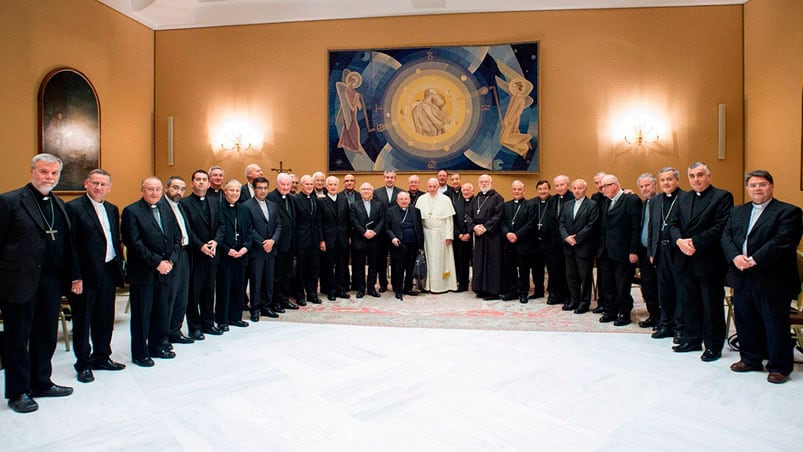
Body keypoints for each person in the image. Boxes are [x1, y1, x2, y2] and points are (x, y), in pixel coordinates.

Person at [0, 153, 79, 413]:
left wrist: (73, 276)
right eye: (44, 172)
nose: (49, 177)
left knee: (46, 336)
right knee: (17, 338)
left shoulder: (59, 205)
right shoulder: (10, 202)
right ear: (32, 171)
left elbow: (68, 245)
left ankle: (41, 382)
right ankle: (18, 391)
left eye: (54, 173)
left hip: (51, 282)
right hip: (19, 282)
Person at [721, 170, 802, 383]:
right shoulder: (737, 211)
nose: (758, 188)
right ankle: (750, 359)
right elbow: (726, 236)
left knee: (774, 323)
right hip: (741, 275)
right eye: (753, 185)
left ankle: (779, 366)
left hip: (772, 278)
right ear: (748, 188)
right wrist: (736, 257)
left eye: (762, 184)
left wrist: (754, 259)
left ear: (771, 186)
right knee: (745, 320)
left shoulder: (789, 212)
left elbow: (782, 241)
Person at [667, 162, 733, 362]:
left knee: (711, 304)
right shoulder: (683, 197)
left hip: (708, 260)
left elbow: (721, 226)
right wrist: (679, 240)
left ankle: (713, 345)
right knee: (689, 303)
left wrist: (694, 242)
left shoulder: (722, 197)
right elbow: (673, 223)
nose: (696, 179)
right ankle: (692, 338)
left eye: (700, 175)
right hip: (684, 259)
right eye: (692, 176)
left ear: (709, 176)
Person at [65, 169, 126, 384]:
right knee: (83, 321)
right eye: (95, 183)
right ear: (86, 184)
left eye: (103, 184)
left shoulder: (111, 208)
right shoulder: (73, 208)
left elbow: (113, 239)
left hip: (108, 271)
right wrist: (75, 277)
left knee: (105, 318)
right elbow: (70, 246)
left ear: (109, 187)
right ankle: (83, 364)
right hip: (85, 276)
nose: (99, 188)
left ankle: (102, 356)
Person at [121, 177, 181, 368]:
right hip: (144, 271)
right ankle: (140, 353)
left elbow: (176, 236)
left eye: (157, 189)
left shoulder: (166, 208)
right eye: (150, 189)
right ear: (142, 190)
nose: (154, 193)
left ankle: (159, 345)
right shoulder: (132, 211)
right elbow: (134, 243)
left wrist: (171, 260)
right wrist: (157, 262)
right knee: (142, 314)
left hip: (166, 270)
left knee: (162, 310)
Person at [181, 170, 225, 339]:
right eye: (197, 179)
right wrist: (201, 246)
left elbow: (222, 225)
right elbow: (186, 229)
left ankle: (208, 323)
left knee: (209, 291)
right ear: (192, 183)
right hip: (195, 255)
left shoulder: (215, 202)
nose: (201, 182)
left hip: (213, 254)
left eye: (204, 180)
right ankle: (195, 327)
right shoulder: (185, 204)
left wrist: (215, 242)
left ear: (208, 183)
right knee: (194, 293)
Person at [596, 174, 642, 326]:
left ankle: (624, 312)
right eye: (601, 187)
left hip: (623, 252)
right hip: (606, 251)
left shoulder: (631, 200)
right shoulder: (605, 203)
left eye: (605, 186)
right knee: (608, 284)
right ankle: (610, 310)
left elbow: (636, 228)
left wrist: (634, 251)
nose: (602, 190)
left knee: (622, 285)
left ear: (614, 185)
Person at [647, 167, 685, 342]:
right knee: (664, 291)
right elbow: (651, 228)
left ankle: (679, 328)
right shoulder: (655, 201)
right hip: (659, 251)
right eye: (663, 180)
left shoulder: (685, 198)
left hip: (677, 251)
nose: (666, 183)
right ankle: (665, 324)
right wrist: (651, 251)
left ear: (677, 180)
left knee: (679, 290)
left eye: (669, 179)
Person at [219, 180, 258, 324]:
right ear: (225, 192)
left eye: (237, 191)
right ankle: (222, 320)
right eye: (231, 190)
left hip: (241, 255)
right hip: (225, 255)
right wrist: (227, 249)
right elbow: (217, 233)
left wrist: (245, 248)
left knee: (239, 288)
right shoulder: (219, 208)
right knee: (224, 289)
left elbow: (249, 232)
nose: (234, 193)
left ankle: (235, 318)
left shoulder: (244, 209)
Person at [558, 179, 598, 313]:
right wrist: (566, 237)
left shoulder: (592, 205)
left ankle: (584, 302)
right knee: (571, 276)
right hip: (568, 247)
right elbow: (561, 223)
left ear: (585, 189)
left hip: (583, 247)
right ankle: (574, 300)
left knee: (585, 277)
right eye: (574, 188)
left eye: (580, 188)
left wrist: (577, 238)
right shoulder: (568, 204)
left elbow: (591, 225)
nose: (576, 190)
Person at [164, 176, 195, 342]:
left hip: (184, 254)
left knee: (182, 296)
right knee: (170, 297)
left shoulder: (180, 206)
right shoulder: (162, 207)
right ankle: (165, 334)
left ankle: (176, 331)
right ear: (167, 187)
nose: (179, 192)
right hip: (171, 256)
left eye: (182, 189)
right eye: (175, 188)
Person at [467, 174, 505, 300]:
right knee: (479, 262)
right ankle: (480, 288)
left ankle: (492, 291)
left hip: (491, 236)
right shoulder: (476, 198)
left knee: (491, 262)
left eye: (486, 181)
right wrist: (473, 227)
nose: (484, 183)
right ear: (478, 183)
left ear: (491, 182)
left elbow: (498, 215)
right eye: (482, 181)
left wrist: (485, 227)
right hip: (478, 236)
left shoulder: (497, 197)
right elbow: (468, 214)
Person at [416, 178, 457, 293]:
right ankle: (427, 285)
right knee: (429, 261)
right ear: (427, 186)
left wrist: (449, 236)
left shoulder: (445, 199)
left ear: (438, 187)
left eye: (434, 186)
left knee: (441, 261)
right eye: (430, 186)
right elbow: (418, 220)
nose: (432, 189)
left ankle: (441, 285)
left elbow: (449, 220)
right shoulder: (421, 199)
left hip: (441, 235)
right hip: (427, 235)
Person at [266, 173, 300, 312]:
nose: (286, 187)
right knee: (276, 276)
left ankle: (284, 299)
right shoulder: (270, 198)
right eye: (283, 184)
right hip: (277, 243)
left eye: (288, 184)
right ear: (277, 184)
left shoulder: (292, 198)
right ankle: (275, 301)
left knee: (287, 274)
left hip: (290, 243)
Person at [501, 180, 536, 303]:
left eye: (519, 189)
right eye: (514, 189)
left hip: (523, 243)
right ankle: (512, 291)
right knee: (510, 268)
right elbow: (502, 222)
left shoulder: (530, 205)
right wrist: (507, 233)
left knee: (523, 269)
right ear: (512, 190)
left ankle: (523, 292)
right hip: (509, 243)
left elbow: (531, 223)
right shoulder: (506, 205)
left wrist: (517, 235)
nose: (517, 192)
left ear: (523, 191)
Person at [386, 191, 425, 300]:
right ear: (397, 201)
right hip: (398, 244)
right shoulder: (390, 211)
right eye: (401, 199)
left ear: (409, 200)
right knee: (399, 268)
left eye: (406, 199)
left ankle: (408, 288)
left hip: (413, 243)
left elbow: (419, 229)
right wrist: (393, 238)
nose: (404, 201)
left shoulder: (416, 211)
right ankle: (398, 290)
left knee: (410, 268)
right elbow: (387, 228)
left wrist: (421, 246)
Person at [319, 176, 352, 301]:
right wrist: (321, 240)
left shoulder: (344, 199)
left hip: (342, 238)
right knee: (328, 266)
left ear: (338, 186)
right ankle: (331, 290)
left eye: (335, 185)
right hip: (328, 239)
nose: (333, 187)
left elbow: (348, 220)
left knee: (342, 265)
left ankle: (341, 289)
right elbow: (319, 223)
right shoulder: (321, 201)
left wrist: (349, 236)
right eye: (330, 184)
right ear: (326, 186)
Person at [293, 175, 324, 304]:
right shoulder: (296, 200)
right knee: (301, 269)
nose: (310, 187)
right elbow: (294, 221)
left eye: (311, 184)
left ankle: (312, 294)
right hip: (301, 239)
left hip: (314, 239)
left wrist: (321, 239)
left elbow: (318, 221)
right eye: (307, 184)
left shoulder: (315, 199)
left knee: (314, 268)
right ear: (301, 185)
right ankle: (300, 295)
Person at [635, 173, 661, 328]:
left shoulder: (661, 201)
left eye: (647, 185)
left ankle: (664, 318)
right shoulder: (644, 204)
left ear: (654, 184)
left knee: (660, 287)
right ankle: (653, 315)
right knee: (648, 286)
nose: (645, 189)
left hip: (658, 253)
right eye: (642, 186)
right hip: (644, 252)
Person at [351, 182, 385, 298]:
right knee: (359, 266)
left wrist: (374, 232)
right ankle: (360, 289)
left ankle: (371, 288)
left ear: (372, 191)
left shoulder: (378, 205)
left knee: (373, 266)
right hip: (360, 240)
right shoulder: (354, 205)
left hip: (374, 240)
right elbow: (353, 221)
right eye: (364, 189)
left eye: (368, 189)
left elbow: (382, 220)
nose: (366, 191)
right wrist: (364, 232)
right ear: (360, 191)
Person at [543, 175, 572, 305]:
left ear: (567, 185)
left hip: (567, 241)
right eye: (557, 186)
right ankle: (555, 294)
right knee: (553, 269)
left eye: (562, 185)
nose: (559, 188)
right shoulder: (552, 200)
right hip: (553, 241)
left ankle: (568, 295)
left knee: (567, 270)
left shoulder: (573, 198)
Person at [372, 170, 401, 292]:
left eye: (392, 177)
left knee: (396, 259)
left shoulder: (401, 192)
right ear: (384, 178)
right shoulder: (377, 193)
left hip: (395, 231)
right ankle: (383, 283)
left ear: (395, 178)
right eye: (387, 177)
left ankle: (396, 284)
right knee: (381, 260)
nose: (389, 179)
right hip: (381, 232)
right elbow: (375, 211)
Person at [530, 180, 551, 299]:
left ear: (549, 189)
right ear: (537, 190)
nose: (542, 191)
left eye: (545, 189)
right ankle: (538, 290)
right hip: (535, 242)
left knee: (552, 269)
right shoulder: (532, 203)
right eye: (540, 189)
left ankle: (552, 290)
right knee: (537, 268)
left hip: (549, 242)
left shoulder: (553, 202)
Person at [452, 182, 474, 292]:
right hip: (460, 238)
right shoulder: (456, 204)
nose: (466, 192)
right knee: (461, 262)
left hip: (474, 238)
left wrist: (470, 234)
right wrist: (459, 234)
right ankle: (463, 284)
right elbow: (453, 222)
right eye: (464, 190)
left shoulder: (477, 202)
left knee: (476, 262)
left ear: (472, 191)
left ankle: (477, 284)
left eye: (468, 190)